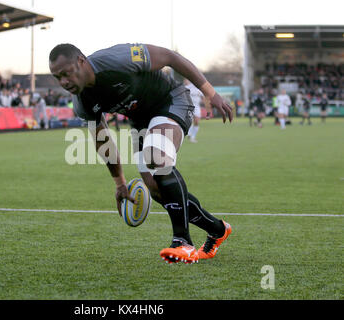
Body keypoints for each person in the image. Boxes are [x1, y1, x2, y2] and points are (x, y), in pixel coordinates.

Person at [49, 43, 233, 264]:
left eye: (66, 74)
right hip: (140, 121)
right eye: (57, 77)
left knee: (157, 158)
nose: (64, 82)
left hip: (170, 100)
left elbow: (170, 57)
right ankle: (217, 229)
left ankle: (183, 242)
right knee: (155, 188)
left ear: (80, 61)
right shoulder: (82, 102)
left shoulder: (117, 59)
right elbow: (103, 141)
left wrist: (210, 92)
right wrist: (119, 183)